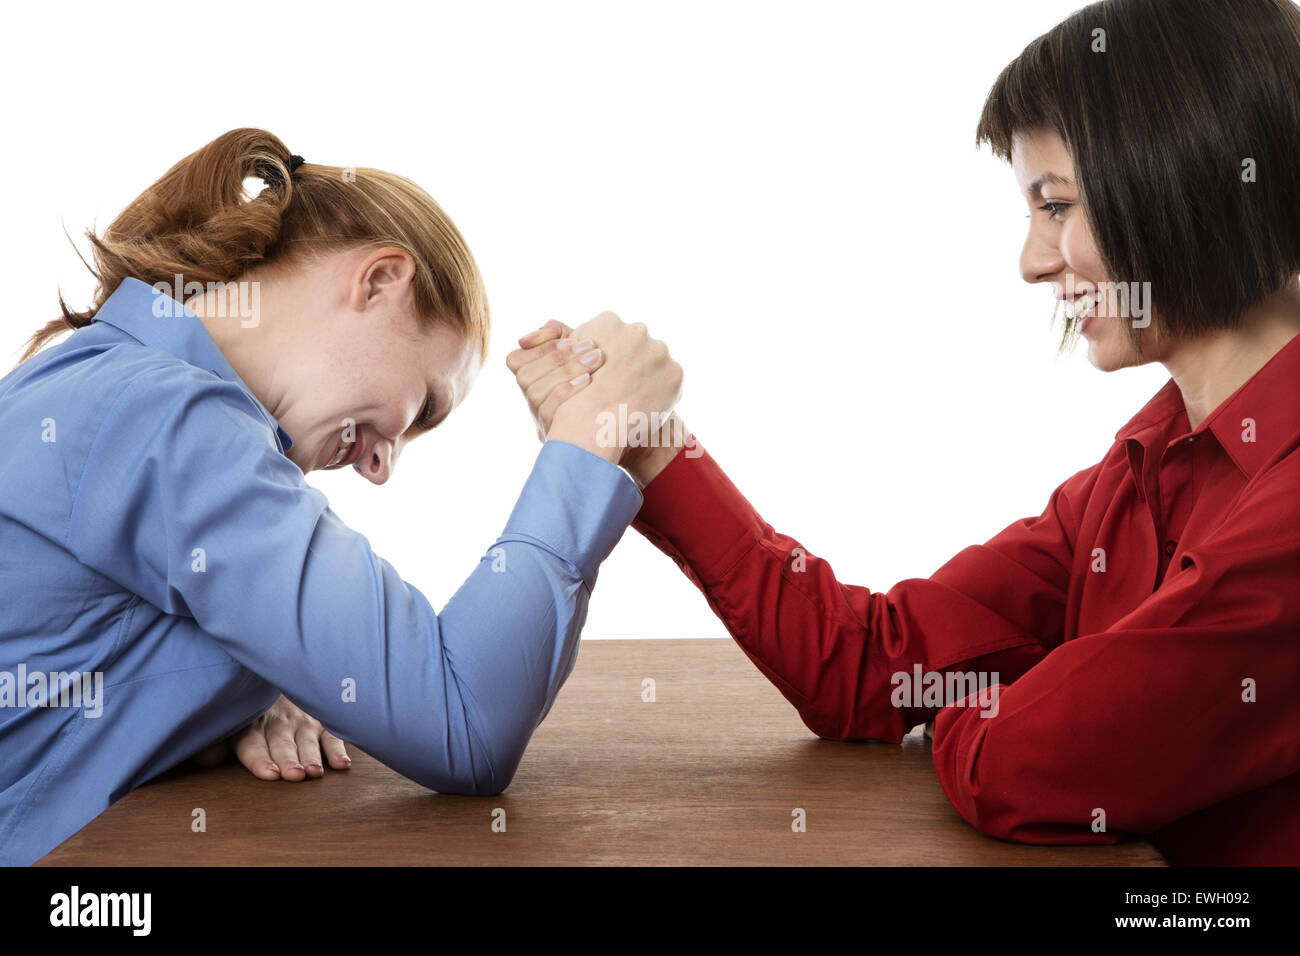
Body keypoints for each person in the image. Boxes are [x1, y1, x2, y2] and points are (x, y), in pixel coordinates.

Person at [510, 0, 1300, 865]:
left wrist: (1000, 706)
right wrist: (651, 445)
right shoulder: (1142, 465)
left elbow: (1023, 763)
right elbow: (865, 666)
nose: (1032, 262)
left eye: (1058, 206)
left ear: (1185, 176)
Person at [0, 128, 681, 865]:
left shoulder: (100, 381)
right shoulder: (172, 423)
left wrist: (247, 689)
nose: (381, 467)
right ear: (381, 280)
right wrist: (585, 441)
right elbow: (466, 725)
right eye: (422, 406)